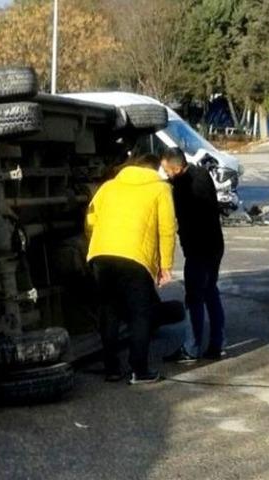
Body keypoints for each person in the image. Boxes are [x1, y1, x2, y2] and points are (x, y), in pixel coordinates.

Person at [86, 153, 177, 384]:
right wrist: (165, 265)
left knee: (109, 312)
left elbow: (90, 219)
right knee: (140, 315)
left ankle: (112, 369)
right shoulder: (160, 189)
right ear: (155, 169)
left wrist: (98, 243)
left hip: (101, 255)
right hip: (135, 258)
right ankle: (140, 370)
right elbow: (166, 229)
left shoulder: (108, 186)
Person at [160, 148, 226, 362]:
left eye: (167, 170)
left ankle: (191, 348)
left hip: (198, 249)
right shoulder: (202, 174)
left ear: (177, 168)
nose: (166, 174)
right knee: (210, 292)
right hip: (215, 244)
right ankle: (217, 343)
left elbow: (177, 220)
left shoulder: (181, 187)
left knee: (194, 298)